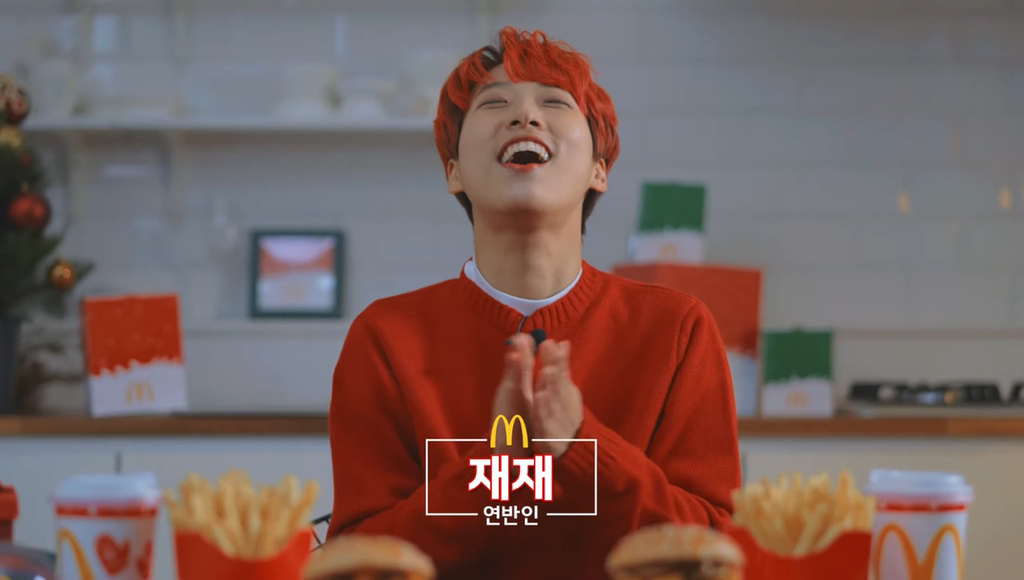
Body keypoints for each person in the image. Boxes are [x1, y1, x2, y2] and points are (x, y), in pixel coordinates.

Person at [326, 26, 741, 580]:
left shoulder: (677, 328)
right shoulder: (385, 336)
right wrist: (496, 473)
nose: (525, 116)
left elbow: (715, 547)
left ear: (599, 169)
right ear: (454, 172)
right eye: (495, 104)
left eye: (554, 102)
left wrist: (581, 445)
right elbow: (356, 559)